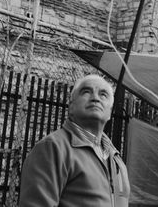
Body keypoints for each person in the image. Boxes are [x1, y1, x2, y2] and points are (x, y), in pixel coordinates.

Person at [19, 73, 129, 207]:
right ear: (71, 107)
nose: (95, 98)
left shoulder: (116, 159)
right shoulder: (53, 148)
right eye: (86, 92)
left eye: (103, 94)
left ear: (110, 113)